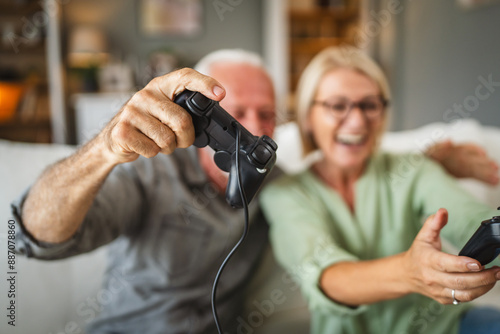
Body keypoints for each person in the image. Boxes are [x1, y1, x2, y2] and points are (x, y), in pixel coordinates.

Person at [10, 48, 499, 334]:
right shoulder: (149, 175)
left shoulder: (275, 184)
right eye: (237, 111)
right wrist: (102, 150)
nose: (255, 128)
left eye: (267, 114)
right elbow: (34, 237)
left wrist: (435, 158)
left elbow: (361, 159)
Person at [259, 45, 500, 334]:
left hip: (448, 327)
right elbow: (325, 276)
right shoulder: (285, 194)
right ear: (308, 115)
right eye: (337, 105)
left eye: (369, 104)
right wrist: (410, 273)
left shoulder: (412, 168)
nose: (358, 121)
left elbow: (471, 219)